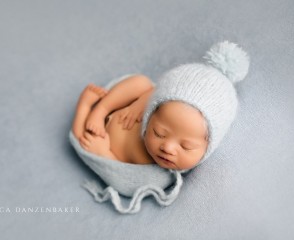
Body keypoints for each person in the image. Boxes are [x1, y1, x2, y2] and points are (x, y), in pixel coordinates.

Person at [72, 40, 250, 172]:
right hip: (123, 110)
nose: (167, 148)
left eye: (186, 146)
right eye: (159, 133)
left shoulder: (155, 172)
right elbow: (155, 91)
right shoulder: (157, 105)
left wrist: (103, 153)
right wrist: (141, 103)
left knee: (82, 140)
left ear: (208, 148)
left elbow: (122, 177)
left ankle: (85, 106)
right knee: (141, 83)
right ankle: (101, 109)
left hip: (104, 141)